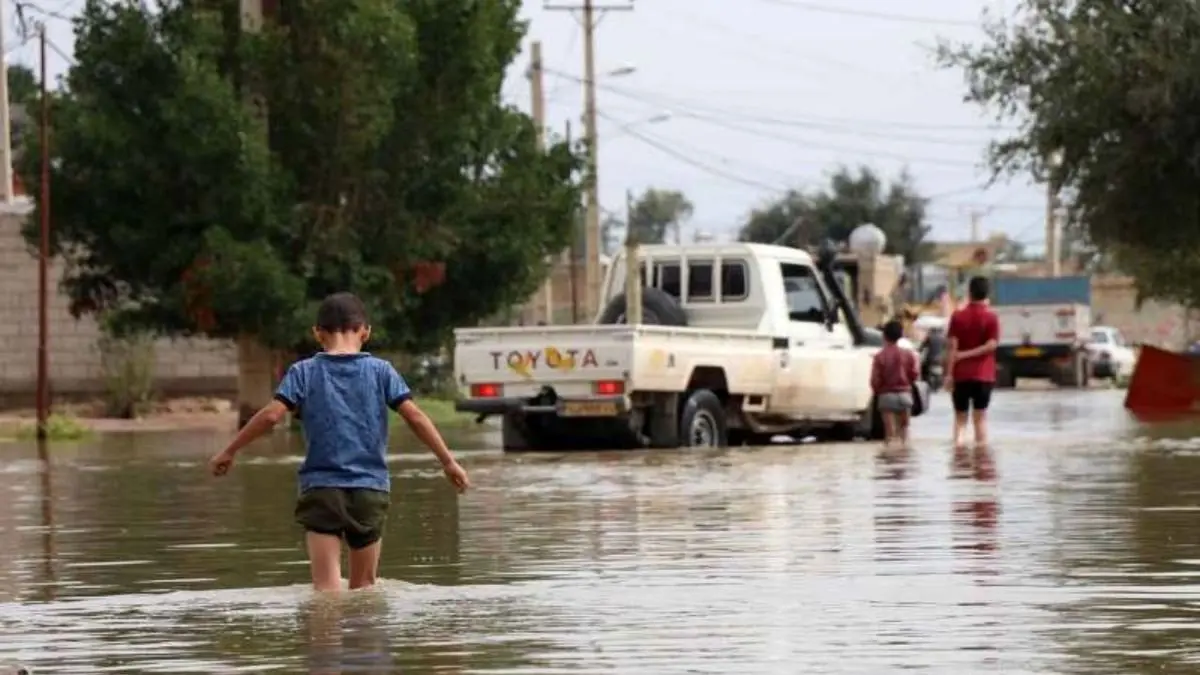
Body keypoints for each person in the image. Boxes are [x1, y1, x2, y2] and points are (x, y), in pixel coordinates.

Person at [207, 292, 470, 592]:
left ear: (317, 333)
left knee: (326, 589)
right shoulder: (381, 371)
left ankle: (325, 637)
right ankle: (363, 639)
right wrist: (448, 461)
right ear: (366, 331)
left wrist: (229, 451)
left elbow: (270, 417)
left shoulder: (303, 372)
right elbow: (415, 417)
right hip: (369, 488)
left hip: (322, 488)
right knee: (365, 588)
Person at [946, 276, 1000, 448]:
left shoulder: (957, 317)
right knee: (980, 419)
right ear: (987, 293)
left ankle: (959, 459)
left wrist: (949, 374)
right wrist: (969, 354)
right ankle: (982, 460)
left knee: (960, 420)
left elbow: (952, 349)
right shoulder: (991, 318)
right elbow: (992, 345)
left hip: (961, 375)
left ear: (969, 292)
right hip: (984, 376)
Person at [870, 320, 920, 448]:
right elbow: (914, 375)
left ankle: (890, 461)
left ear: (884, 336)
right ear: (901, 335)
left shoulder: (880, 356)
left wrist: (878, 392)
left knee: (890, 434)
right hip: (905, 395)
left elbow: (875, 380)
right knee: (904, 432)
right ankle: (904, 460)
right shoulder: (908, 355)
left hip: (887, 396)